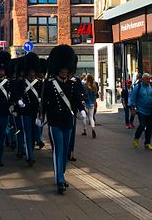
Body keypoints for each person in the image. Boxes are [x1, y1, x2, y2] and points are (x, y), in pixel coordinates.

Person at [40, 45, 86, 195]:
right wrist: (40, 116)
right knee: (58, 150)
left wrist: (82, 110)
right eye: (62, 68)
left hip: (68, 120)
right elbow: (44, 102)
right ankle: (59, 180)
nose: (64, 70)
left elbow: (78, 99)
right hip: (54, 120)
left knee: (65, 151)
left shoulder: (73, 83)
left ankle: (62, 174)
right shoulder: (49, 84)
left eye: (66, 68)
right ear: (57, 68)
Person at [129, 73, 152, 149]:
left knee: (149, 127)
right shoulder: (137, 87)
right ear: (143, 79)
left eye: (149, 79)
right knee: (142, 125)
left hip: (149, 110)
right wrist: (133, 108)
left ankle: (147, 143)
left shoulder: (150, 87)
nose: (149, 80)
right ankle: (136, 138)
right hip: (141, 110)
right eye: (147, 79)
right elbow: (133, 98)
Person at [81, 74, 99, 139]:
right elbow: (95, 96)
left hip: (85, 103)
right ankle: (93, 128)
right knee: (91, 117)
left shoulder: (84, 85)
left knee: (84, 117)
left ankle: (85, 130)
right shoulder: (94, 86)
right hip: (92, 103)